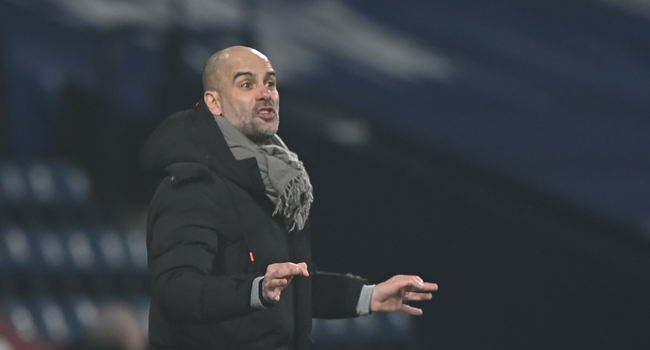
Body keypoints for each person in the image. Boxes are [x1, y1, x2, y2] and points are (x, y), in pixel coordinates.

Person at [139, 46, 438, 350]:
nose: (265, 93)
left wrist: (368, 296)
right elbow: (176, 292)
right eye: (246, 84)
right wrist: (254, 291)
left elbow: (287, 289)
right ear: (214, 102)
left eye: (269, 82)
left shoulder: (274, 179)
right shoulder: (194, 187)